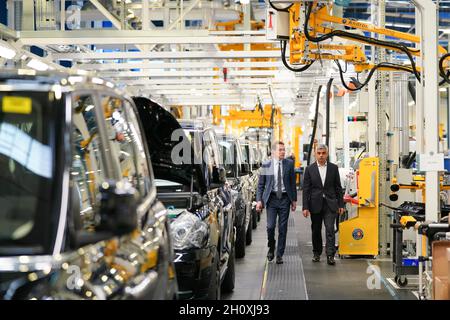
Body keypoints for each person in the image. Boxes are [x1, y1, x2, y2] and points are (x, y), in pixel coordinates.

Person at [302, 144, 344, 266]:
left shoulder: (333, 168)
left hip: (330, 204)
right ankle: (316, 253)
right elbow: (306, 189)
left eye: (323, 153)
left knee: (330, 229)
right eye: (319, 153)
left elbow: (338, 188)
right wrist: (305, 207)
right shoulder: (310, 169)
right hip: (315, 204)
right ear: (315, 154)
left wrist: (340, 204)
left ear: (327, 154)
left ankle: (330, 255)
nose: (321, 155)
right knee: (316, 230)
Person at [256, 141, 297, 264]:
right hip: (272, 199)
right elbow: (261, 185)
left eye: (284, 150)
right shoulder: (266, 165)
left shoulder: (289, 164)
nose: (283, 152)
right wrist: (259, 200)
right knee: (270, 226)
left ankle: (279, 254)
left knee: (283, 228)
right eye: (280, 150)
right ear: (273, 152)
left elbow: (292, 184)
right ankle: (271, 246)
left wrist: (294, 200)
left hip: (285, 199)